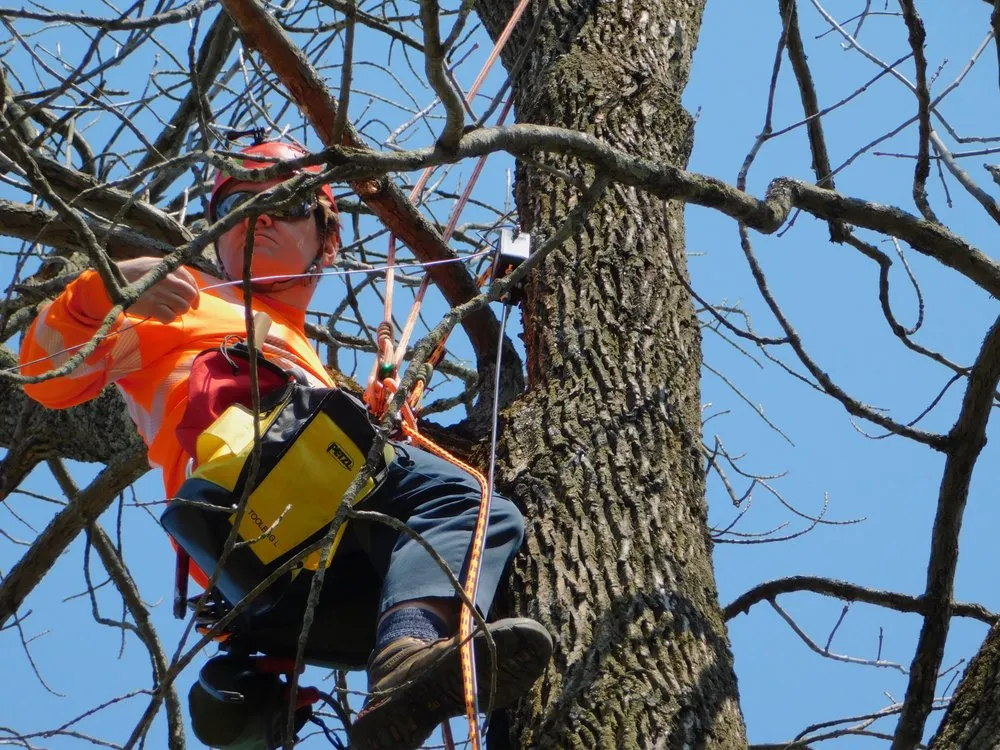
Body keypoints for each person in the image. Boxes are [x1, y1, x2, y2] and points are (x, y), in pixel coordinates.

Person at [18, 141, 552, 750]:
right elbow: (45, 376)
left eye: (288, 202)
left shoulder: (305, 357)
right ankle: (405, 652)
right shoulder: (182, 300)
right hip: (254, 499)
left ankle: (384, 681)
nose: (261, 216)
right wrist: (102, 293)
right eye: (240, 204)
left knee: (452, 564)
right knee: (468, 502)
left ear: (329, 241)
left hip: (284, 571)